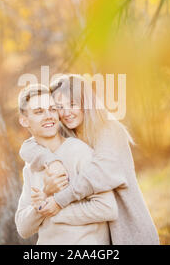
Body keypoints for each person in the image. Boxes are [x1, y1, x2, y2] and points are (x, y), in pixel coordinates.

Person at [19, 75, 160, 245]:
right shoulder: (68, 132)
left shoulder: (108, 130)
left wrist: (58, 202)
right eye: (59, 107)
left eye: (72, 104)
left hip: (129, 229)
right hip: (102, 234)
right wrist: (52, 161)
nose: (66, 113)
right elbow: (29, 146)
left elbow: (97, 175)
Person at [14, 84, 118, 244]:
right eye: (39, 112)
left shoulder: (80, 152)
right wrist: (45, 196)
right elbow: (23, 228)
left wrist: (55, 209)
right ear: (24, 121)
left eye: (53, 109)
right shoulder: (31, 165)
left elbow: (107, 208)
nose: (49, 116)